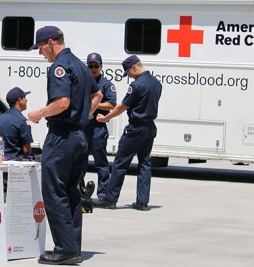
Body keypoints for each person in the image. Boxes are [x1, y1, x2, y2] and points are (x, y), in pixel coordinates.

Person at [28, 26, 102, 265]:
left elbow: (61, 103)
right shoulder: (80, 64)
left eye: (40, 48)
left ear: (51, 43)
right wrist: (84, 116)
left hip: (61, 137)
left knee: (53, 191)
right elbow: (97, 96)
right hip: (80, 137)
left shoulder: (59, 67)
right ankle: (73, 247)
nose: (41, 53)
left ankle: (64, 249)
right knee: (72, 192)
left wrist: (40, 113)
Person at [93, 55, 162, 211]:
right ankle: (142, 202)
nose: (129, 76)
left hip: (135, 129)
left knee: (120, 163)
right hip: (150, 127)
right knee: (145, 164)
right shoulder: (157, 83)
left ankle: (110, 199)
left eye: (128, 72)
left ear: (134, 67)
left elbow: (121, 107)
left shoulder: (137, 85)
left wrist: (105, 118)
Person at [80, 53, 117, 200]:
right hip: (83, 128)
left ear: (101, 67)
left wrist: (93, 104)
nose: (93, 68)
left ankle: (102, 193)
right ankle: (81, 192)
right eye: (90, 66)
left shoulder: (107, 85)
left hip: (97, 128)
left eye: (96, 66)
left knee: (101, 162)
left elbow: (112, 104)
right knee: (80, 161)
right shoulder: (82, 83)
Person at [0, 87, 33, 160]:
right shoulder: (23, 121)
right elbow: (27, 151)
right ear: (19, 100)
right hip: (13, 162)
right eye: (25, 98)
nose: (27, 100)